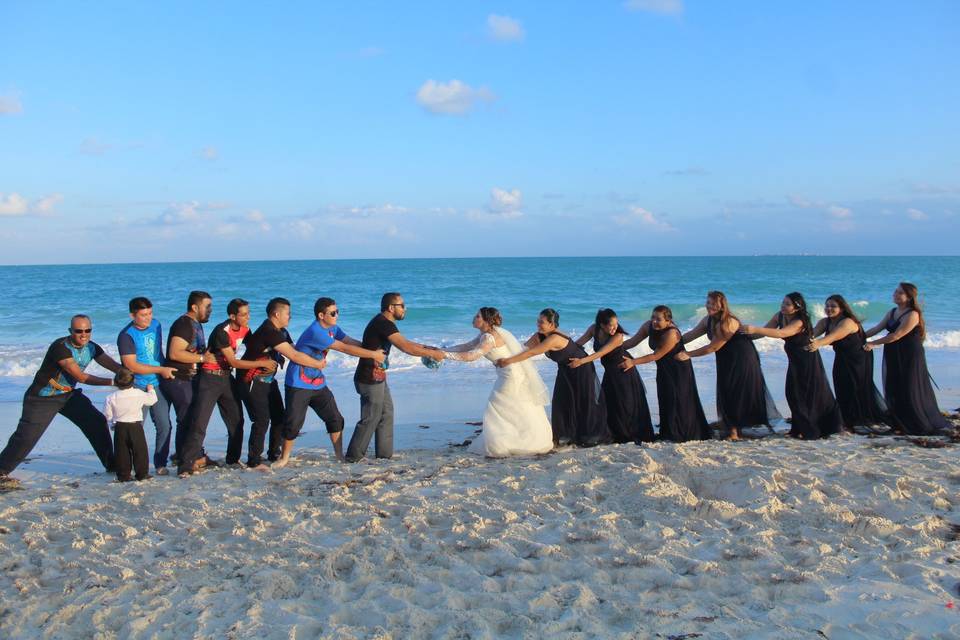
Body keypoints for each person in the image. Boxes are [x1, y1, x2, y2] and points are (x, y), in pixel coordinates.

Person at [0, 315, 122, 486]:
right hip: (42, 398)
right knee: (26, 438)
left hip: (68, 395)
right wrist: (113, 382)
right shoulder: (60, 348)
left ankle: (112, 464)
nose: (83, 335)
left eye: (87, 331)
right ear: (70, 331)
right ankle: (1, 471)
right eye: (79, 331)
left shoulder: (92, 347)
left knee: (96, 422)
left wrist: (126, 373)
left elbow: (112, 364)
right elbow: (80, 377)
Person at [273, 297, 386, 467]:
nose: (336, 315)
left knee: (335, 419)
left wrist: (370, 350)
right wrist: (372, 355)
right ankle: (284, 458)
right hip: (298, 383)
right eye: (333, 313)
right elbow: (343, 348)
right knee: (293, 424)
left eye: (337, 311)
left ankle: (339, 456)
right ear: (321, 315)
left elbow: (348, 341)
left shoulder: (333, 328)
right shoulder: (316, 331)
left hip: (317, 383)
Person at [177, 298, 277, 475]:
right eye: (244, 314)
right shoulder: (221, 332)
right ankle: (185, 466)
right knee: (200, 423)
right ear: (232, 316)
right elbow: (233, 361)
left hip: (226, 378)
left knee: (237, 421)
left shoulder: (246, 330)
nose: (248, 317)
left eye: (249, 313)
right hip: (209, 378)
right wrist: (257, 365)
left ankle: (232, 459)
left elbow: (255, 347)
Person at [345, 292, 447, 463]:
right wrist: (431, 353)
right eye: (402, 305)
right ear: (391, 308)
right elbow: (405, 347)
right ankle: (353, 457)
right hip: (369, 378)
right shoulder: (383, 324)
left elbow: (405, 342)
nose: (405, 309)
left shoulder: (385, 323)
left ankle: (384, 456)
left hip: (377, 376)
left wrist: (428, 347)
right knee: (371, 417)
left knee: (386, 413)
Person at [441, 307, 553, 457]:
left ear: (486, 321)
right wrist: (441, 351)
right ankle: (524, 440)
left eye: (478, 316)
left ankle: (506, 444)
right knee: (516, 406)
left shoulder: (489, 338)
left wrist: (444, 355)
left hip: (511, 376)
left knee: (498, 406)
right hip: (510, 374)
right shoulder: (486, 334)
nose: (474, 318)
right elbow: (466, 346)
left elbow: (472, 356)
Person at [496, 308, 611, 447]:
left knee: (584, 403)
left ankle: (588, 436)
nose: (538, 324)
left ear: (552, 324)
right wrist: (500, 350)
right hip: (565, 370)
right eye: (538, 320)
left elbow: (531, 353)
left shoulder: (554, 338)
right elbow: (523, 348)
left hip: (581, 368)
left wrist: (508, 361)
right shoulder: (539, 335)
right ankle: (565, 435)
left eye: (542, 322)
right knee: (561, 401)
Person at [239, 297, 329, 469]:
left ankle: (273, 454)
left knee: (280, 417)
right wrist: (317, 364)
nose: (290, 317)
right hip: (251, 380)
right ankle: (254, 461)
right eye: (288, 313)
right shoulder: (269, 331)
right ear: (276, 313)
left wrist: (321, 348)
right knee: (262, 420)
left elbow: (296, 349)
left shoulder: (282, 332)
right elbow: (293, 356)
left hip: (268, 381)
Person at [679, 291, 781, 440]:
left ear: (722, 305)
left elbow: (713, 347)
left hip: (742, 358)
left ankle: (734, 432)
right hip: (725, 359)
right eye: (708, 303)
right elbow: (691, 335)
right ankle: (729, 424)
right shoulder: (707, 320)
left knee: (735, 391)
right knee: (726, 389)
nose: (709, 306)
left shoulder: (728, 322)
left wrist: (688, 354)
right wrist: (672, 343)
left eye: (713, 304)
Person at [741, 293, 841, 439]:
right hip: (794, 361)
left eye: (787, 304)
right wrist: (744, 336)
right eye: (783, 302)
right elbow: (765, 332)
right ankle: (798, 428)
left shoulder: (800, 321)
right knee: (792, 394)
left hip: (807, 361)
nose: (783, 306)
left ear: (796, 308)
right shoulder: (779, 316)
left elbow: (782, 332)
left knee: (805, 394)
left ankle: (811, 429)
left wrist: (755, 329)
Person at [863, 282, 949, 435]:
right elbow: (877, 328)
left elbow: (897, 335)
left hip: (909, 354)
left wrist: (872, 344)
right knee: (895, 384)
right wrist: (859, 337)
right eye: (895, 291)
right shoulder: (892, 312)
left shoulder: (913, 314)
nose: (895, 294)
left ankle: (915, 420)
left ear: (909, 297)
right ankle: (900, 419)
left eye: (899, 293)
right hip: (893, 352)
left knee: (909, 385)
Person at [620, 306, 711, 442]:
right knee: (664, 397)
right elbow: (633, 342)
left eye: (659, 319)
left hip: (678, 368)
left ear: (668, 321)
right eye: (653, 317)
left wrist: (633, 362)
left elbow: (656, 355)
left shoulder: (671, 334)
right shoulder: (648, 326)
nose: (654, 321)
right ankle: (667, 430)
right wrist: (613, 348)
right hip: (663, 368)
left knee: (678, 399)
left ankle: (680, 433)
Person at [807, 294, 891, 433]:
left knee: (855, 386)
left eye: (833, 306)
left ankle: (859, 418)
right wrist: (801, 339)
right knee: (841, 385)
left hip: (858, 358)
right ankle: (846, 418)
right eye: (827, 306)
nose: (829, 308)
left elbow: (833, 337)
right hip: (841, 357)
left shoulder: (848, 322)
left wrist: (818, 344)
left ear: (842, 308)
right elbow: (812, 334)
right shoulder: (825, 322)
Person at [570, 308, 654, 443]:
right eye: (611, 325)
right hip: (610, 373)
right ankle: (614, 433)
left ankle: (629, 434)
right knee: (609, 403)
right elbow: (578, 344)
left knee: (625, 404)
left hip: (623, 371)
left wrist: (581, 361)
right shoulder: (594, 329)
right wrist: (564, 350)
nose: (615, 328)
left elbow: (600, 353)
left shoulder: (618, 336)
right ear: (602, 325)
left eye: (616, 324)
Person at [118, 297, 178, 475]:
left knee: (164, 425)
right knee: (136, 428)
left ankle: (160, 463)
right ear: (132, 315)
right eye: (143, 315)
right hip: (137, 386)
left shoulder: (157, 325)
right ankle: (132, 466)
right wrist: (161, 369)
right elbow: (132, 366)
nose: (148, 318)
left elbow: (159, 350)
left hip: (158, 383)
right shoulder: (126, 336)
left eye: (150, 313)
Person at [161, 291, 218, 465]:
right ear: (194, 307)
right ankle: (187, 457)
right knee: (187, 419)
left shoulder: (196, 324)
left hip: (190, 378)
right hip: (180, 379)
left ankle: (188, 455)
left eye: (211, 307)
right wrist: (202, 359)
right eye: (207, 306)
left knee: (191, 418)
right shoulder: (184, 324)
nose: (210, 310)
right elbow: (174, 352)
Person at [104, 368, 158, 482]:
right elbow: (152, 400)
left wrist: (112, 424)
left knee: (121, 452)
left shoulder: (111, 397)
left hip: (120, 426)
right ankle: (142, 474)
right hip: (135, 426)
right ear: (132, 381)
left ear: (116, 382)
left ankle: (123, 475)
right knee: (140, 451)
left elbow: (108, 414)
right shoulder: (138, 393)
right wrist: (151, 389)